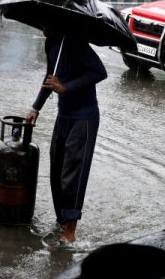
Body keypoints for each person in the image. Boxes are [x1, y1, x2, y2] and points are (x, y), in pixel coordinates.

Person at [25, 22, 107, 245]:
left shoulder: (75, 41)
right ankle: (62, 220)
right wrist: (36, 107)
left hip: (84, 117)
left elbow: (100, 72)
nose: (43, 26)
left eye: (47, 22)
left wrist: (66, 88)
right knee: (57, 167)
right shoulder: (51, 42)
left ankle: (70, 231)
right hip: (64, 115)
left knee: (73, 173)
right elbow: (49, 77)